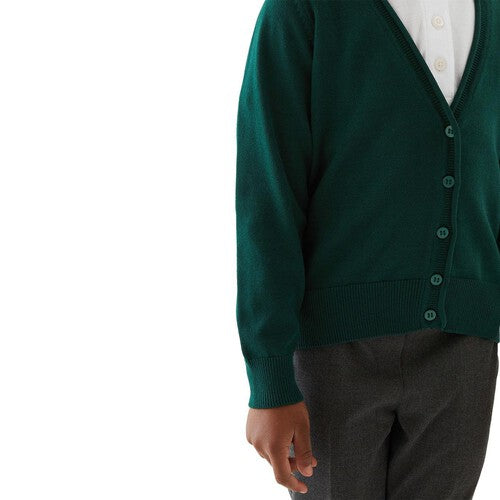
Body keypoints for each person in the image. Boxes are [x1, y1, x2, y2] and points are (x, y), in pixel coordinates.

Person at [235, 0, 500, 498]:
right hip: (334, 354)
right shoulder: (304, 9)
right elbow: (267, 194)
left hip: (464, 350)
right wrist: (269, 379)